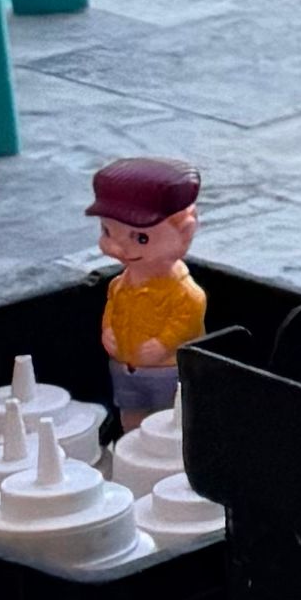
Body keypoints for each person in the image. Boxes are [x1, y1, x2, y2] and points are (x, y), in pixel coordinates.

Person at [90, 153, 205, 426]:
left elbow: (186, 319)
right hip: (126, 368)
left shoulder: (184, 292)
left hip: (167, 370)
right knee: (130, 414)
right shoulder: (119, 285)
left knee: (170, 421)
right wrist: (108, 331)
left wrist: (164, 343)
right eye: (107, 231)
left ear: (186, 232)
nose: (119, 248)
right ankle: (130, 446)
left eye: (141, 238)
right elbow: (113, 311)